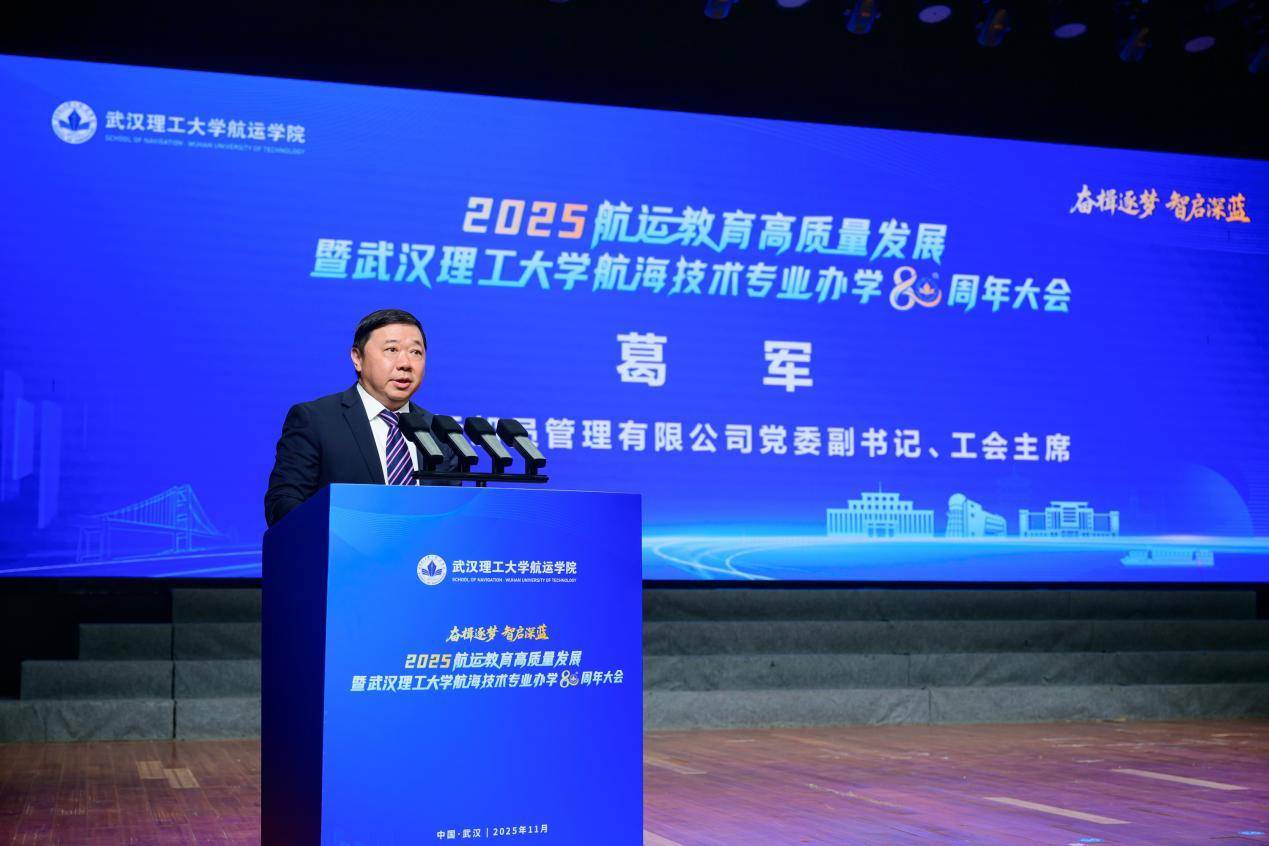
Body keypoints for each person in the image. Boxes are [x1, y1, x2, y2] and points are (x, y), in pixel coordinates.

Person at [264, 308, 459, 526]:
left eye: (416, 352)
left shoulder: (439, 432)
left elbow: (453, 516)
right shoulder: (315, 420)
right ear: (357, 358)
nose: (405, 363)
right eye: (392, 349)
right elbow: (283, 505)